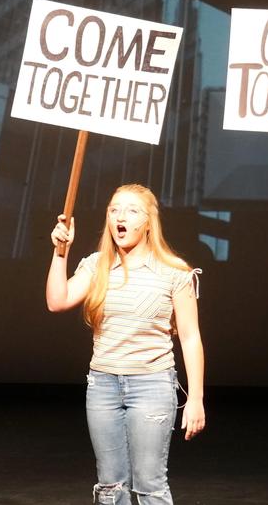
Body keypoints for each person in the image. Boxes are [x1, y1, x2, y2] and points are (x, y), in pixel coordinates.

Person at [46, 183, 205, 505]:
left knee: (150, 484)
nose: (120, 217)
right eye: (114, 209)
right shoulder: (96, 266)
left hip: (152, 385)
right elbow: (57, 301)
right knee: (109, 485)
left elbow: (190, 337)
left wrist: (197, 399)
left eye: (131, 211)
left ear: (148, 222)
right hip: (103, 384)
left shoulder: (175, 273)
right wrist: (60, 252)